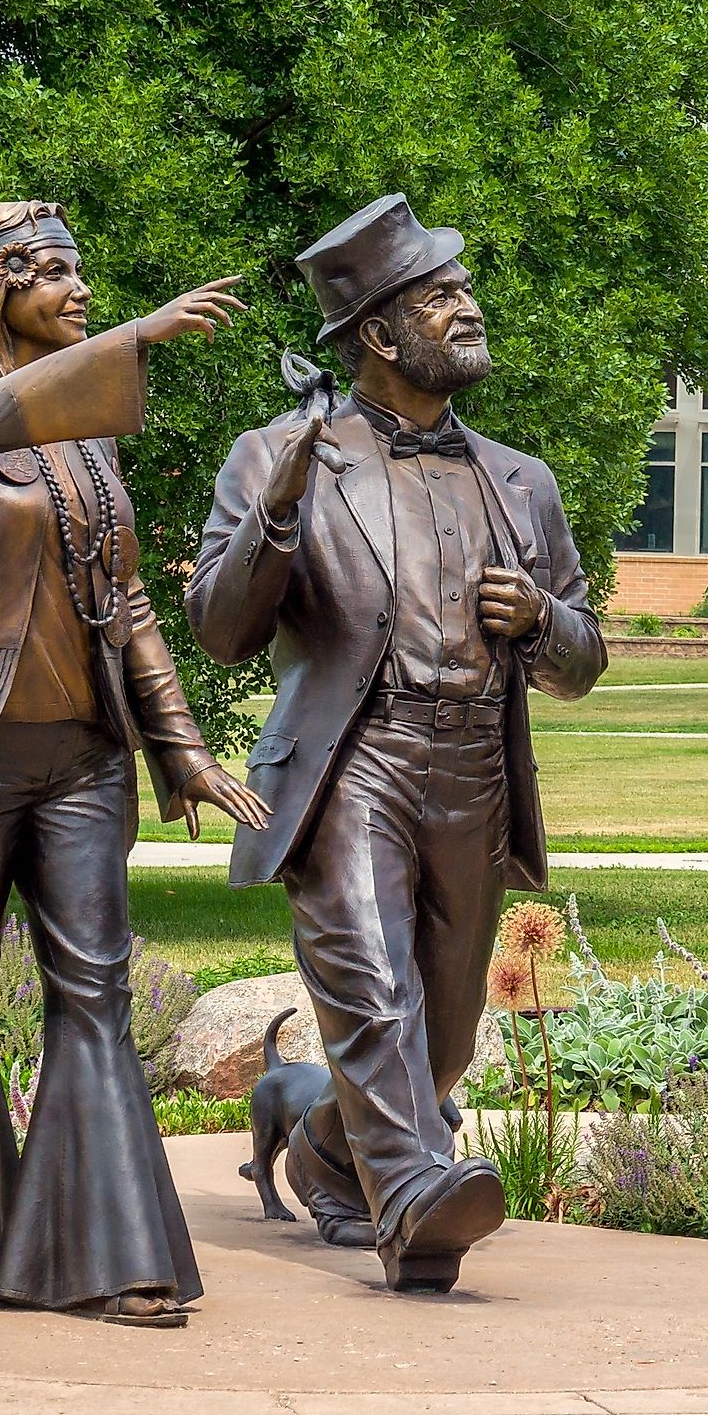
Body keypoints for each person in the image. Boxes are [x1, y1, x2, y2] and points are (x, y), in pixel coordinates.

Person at [0, 199, 268, 1327]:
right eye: (50, 272)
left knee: (95, 991)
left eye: (81, 272)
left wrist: (178, 747)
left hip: (85, 757)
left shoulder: (85, 442)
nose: (77, 288)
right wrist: (130, 335)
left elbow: (126, 598)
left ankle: (109, 1253)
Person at [190, 194, 606, 1292]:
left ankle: (332, 1156)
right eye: (442, 295)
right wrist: (277, 510)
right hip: (352, 764)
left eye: (463, 288)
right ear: (379, 332)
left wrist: (544, 622)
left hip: (474, 765)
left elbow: (584, 656)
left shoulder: (521, 479)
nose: (469, 307)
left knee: (445, 1044)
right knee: (375, 998)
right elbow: (221, 630)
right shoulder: (282, 455)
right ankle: (417, 1201)